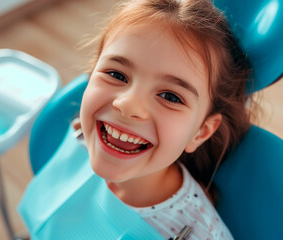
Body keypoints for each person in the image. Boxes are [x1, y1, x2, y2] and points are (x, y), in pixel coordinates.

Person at [77, 0, 253, 238]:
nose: (127, 105)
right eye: (116, 74)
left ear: (200, 132)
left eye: (170, 96)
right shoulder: (76, 136)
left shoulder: (199, 233)